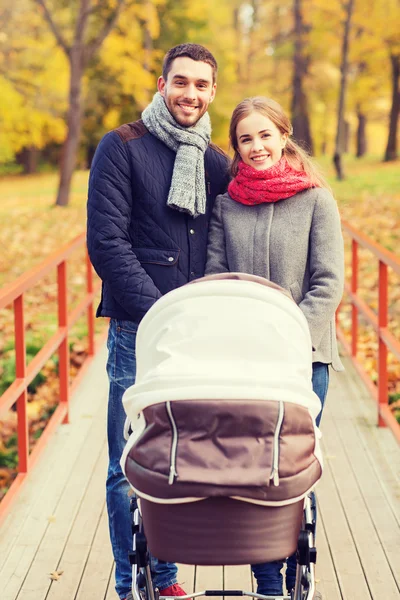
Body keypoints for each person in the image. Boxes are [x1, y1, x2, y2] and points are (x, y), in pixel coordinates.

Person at [87, 43, 230, 600]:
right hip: (137, 330)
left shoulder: (216, 162)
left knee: (182, 460)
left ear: (212, 91)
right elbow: (107, 242)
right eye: (181, 82)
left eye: (201, 84)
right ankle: (130, 585)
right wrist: (160, 314)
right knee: (129, 463)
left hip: (198, 335)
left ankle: (164, 578)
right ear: (162, 83)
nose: (190, 94)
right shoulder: (121, 147)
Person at [205, 96, 344, 597]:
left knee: (292, 471)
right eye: (246, 139)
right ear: (236, 149)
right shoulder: (227, 203)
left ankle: (295, 572)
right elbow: (216, 274)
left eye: (265, 135)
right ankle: (266, 583)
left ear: (284, 135)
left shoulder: (315, 199)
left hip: (304, 358)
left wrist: (287, 340)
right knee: (251, 471)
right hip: (244, 360)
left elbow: (327, 284)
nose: (257, 146)